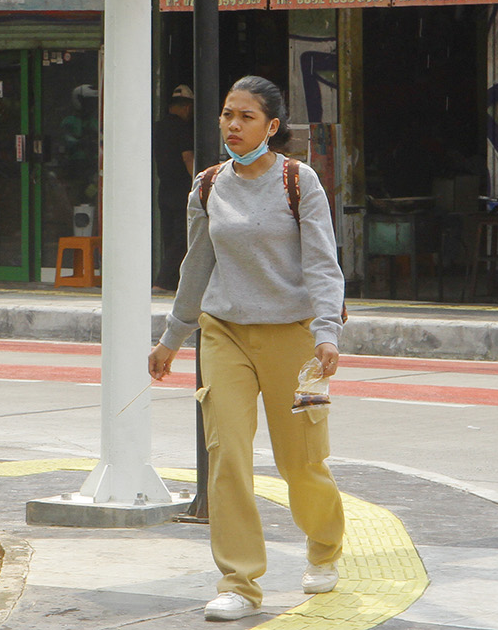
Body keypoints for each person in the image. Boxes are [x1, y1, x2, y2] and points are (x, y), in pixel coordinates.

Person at [147, 75, 345, 623]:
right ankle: (239, 581)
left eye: (246, 117)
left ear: (272, 127)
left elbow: (322, 261)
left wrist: (327, 330)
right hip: (225, 333)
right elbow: (196, 266)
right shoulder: (208, 185)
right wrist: (171, 338)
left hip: (294, 335)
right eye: (227, 115)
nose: (233, 125)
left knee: (300, 462)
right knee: (226, 456)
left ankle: (325, 547)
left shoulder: (298, 181)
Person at [152, 84, 195, 291]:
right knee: (182, 237)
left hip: (164, 189)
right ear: (187, 108)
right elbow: (188, 158)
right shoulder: (182, 127)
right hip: (181, 189)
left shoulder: (157, 128)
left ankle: (170, 281)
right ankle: (163, 282)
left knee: (169, 237)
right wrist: (198, 181)